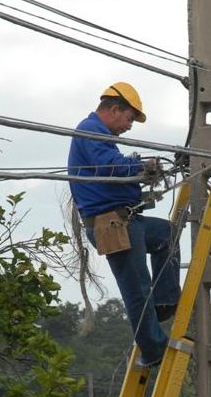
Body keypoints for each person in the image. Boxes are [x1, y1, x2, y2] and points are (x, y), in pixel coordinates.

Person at [68, 82, 180, 368]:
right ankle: (154, 349)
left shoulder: (101, 136)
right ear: (115, 110)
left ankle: (164, 302)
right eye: (129, 118)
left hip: (128, 219)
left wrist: (141, 169)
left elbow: (113, 167)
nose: (129, 127)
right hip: (111, 225)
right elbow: (111, 167)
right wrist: (141, 166)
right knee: (137, 289)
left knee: (167, 234)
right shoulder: (91, 131)